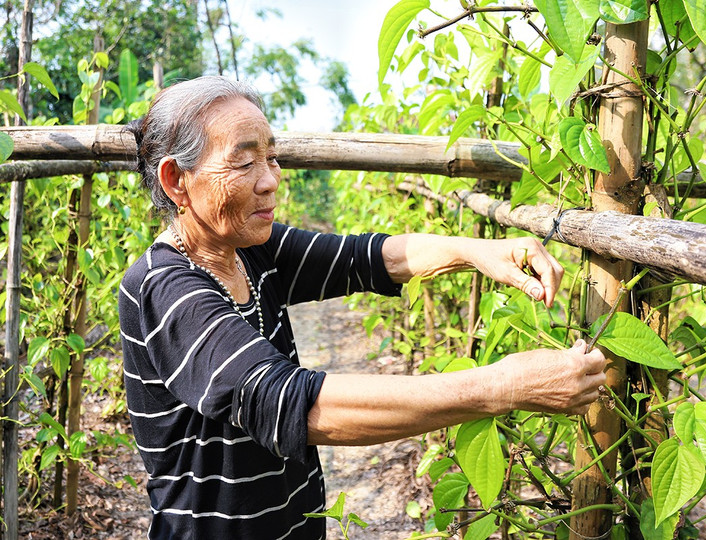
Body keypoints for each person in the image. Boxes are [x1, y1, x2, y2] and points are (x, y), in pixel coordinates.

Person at [118, 76, 607, 540]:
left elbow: (368, 258)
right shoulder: (166, 290)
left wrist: (476, 251)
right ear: (177, 182)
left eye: (272, 157)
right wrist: (505, 386)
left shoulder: (249, 247)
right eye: (245, 164)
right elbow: (295, 405)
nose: (271, 180)